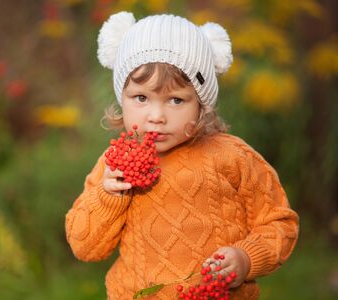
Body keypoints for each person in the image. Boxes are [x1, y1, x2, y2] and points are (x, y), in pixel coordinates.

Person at [65, 11, 299, 299]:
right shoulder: (114, 164)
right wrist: (109, 196)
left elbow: (280, 223)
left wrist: (246, 258)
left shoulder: (233, 157)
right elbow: (84, 245)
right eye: (141, 98)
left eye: (176, 100)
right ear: (121, 98)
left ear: (201, 105)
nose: (156, 116)